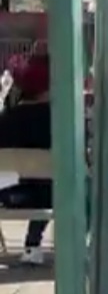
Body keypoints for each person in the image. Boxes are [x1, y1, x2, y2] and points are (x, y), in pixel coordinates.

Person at [0, 55, 56, 265]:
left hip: (8, 194)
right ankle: (33, 243)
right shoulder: (57, 120)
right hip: (47, 197)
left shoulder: (6, 119)